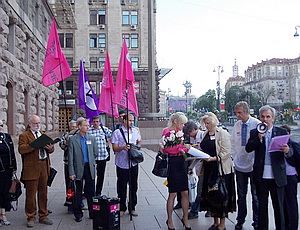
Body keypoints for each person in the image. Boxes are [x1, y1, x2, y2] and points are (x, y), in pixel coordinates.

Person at [245, 105, 292, 230]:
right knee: (262, 208)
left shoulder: (281, 132)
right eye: (262, 116)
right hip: (261, 176)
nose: (265, 119)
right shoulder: (255, 132)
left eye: (268, 117)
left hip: (277, 176)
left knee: (279, 208)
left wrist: (287, 150)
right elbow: (248, 148)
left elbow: (291, 151)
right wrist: (259, 139)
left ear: (273, 118)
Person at [200, 112, 236, 230]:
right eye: (205, 123)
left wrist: (214, 158)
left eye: (208, 123)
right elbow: (203, 147)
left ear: (214, 122)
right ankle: (215, 222)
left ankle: (222, 224)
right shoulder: (205, 133)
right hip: (208, 168)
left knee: (221, 196)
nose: (206, 125)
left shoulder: (222, 133)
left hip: (221, 169)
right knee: (211, 196)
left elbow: (226, 152)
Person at [18, 115, 54, 228]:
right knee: (31, 194)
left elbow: (51, 149)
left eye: (38, 123)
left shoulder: (42, 134)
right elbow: (21, 149)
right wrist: (35, 145)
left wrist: (50, 148)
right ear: (29, 124)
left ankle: (43, 215)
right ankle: (31, 216)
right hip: (31, 167)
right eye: (35, 123)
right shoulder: (24, 136)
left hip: (43, 165)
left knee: (43, 192)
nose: (37, 125)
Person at [230, 101, 260, 230]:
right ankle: (240, 219)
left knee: (255, 196)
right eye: (236, 113)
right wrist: (235, 158)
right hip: (240, 165)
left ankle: (257, 221)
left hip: (254, 166)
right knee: (241, 195)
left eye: (240, 113)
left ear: (247, 112)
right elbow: (232, 144)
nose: (238, 115)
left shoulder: (257, 124)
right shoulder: (237, 125)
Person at [161, 112, 191, 230]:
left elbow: (179, 147)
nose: (183, 126)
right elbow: (168, 149)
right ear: (175, 121)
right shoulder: (167, 132)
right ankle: (170, 220)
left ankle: (186, 218)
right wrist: (183, 147)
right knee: (172, 193)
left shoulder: (181, 133)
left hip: (182, 163)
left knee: (185, 192)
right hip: (173, 163)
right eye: (182, 123)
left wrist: (184, 148)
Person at [68, 118, 98, 222]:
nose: (88, 127)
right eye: (85, 125)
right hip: (78, 169)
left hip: (89, 167)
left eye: (88, 125)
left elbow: (95, 152)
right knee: (78, 193)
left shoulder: (92, 138)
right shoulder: (72, 139)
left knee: (91, 192)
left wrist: (91, 162)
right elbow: (70, 157)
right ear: (79, 127)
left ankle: (92, 212)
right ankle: (78, 213)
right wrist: (71, 172)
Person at [112, 113, 141, 217]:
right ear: (123, 120)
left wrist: (136, 148)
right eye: (129, 120)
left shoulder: (135, 131)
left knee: (134, 185)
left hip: (133, 162)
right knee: (122, 186)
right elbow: (114, 148)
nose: (131, 122)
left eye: (133, 120)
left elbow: (139, 142)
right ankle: (122, 207)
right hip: (122, 163)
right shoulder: (117, 132)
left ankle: (132, 207)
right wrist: (123, 148)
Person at [183, 121, 204, 220]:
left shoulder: (202, 135)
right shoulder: (192, 138)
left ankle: (195, 210)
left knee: (200, 189)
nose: (189, 136)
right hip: (197, 165)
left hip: (204, 164)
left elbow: (201, 152)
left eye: (189, 133)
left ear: (194, 130)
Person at [280, 125, 299, 230]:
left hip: (291, 176)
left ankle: (292, 226)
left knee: (291, 203)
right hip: (280, 177)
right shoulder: (276, 145)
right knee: (282, 203)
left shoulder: (293, 144)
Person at [89, 116, 112, 196]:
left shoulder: (104, 129)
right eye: (94, 121)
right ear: (92, 122)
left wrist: (108, 141)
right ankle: (91, 192)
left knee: (100, 175)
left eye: (97, 121)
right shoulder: (89, 131)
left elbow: (113, 135)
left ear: (99, 122)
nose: (95, 123)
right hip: (92, 157)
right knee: (91, 175)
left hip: (102, 156)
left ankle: (98, 192)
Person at [0, 120, 17, 226]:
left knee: (5, 191)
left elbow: (12, 151)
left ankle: (3, 213)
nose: (0, 127)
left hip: (7, 169)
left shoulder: (6, 137)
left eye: (1, 125)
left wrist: (14, 167)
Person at [59, 120, 78, 211]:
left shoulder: (78, 135)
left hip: (77, 163)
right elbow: (62, 145)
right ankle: (70, 202)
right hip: (68, 162)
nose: (73, 128)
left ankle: (79, 201)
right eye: (72, 126)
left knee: (78, 183)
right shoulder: (65, 135)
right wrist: (68, 140)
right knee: (69, 183)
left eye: (75, 126)